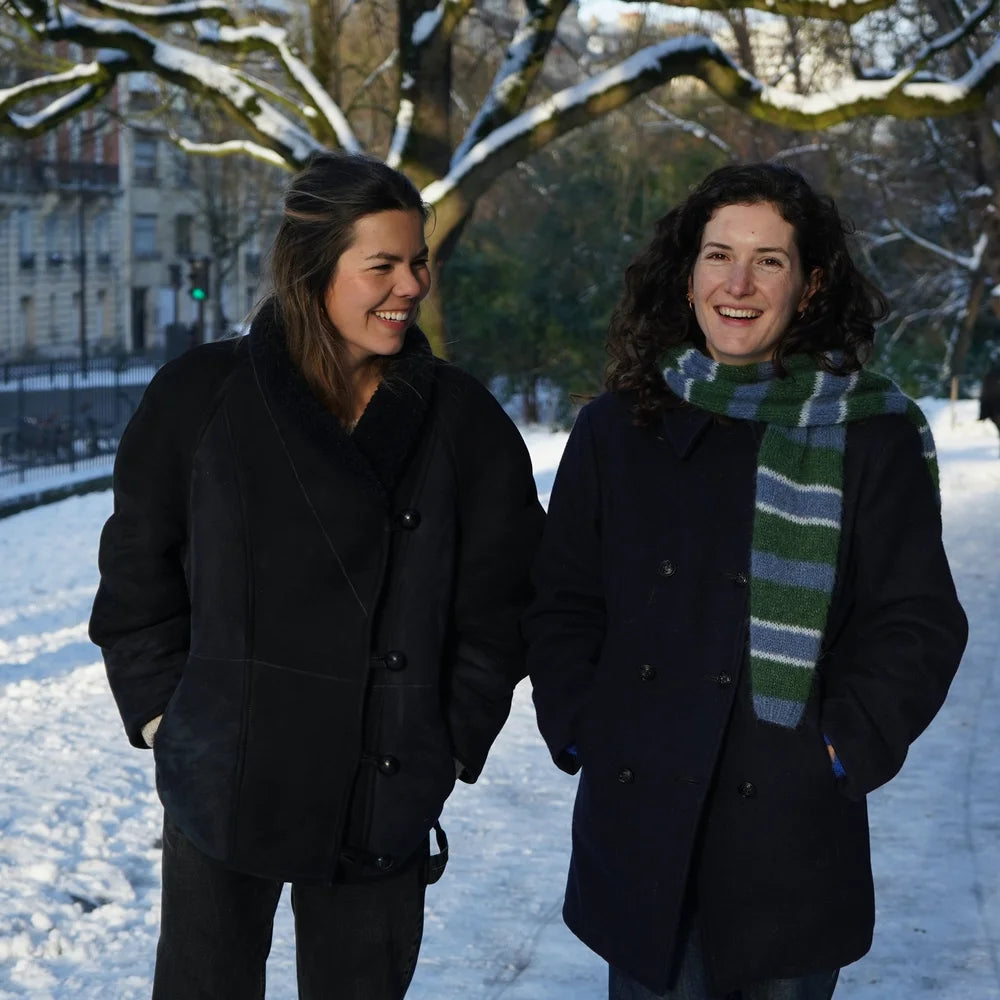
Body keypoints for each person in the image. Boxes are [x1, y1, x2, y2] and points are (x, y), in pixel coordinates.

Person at [89, 151, 544, 1000]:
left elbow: (508, 599)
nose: (409, 286)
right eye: (382, 265)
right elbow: (135, 575)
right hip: (221, 776)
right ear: (311, 269)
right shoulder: (200, 397)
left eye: (418, 262)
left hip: (385, 781)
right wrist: (168, 721)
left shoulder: (464, 423)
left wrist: (443, 734)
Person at [524, 162, 968, 1000]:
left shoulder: (869, 433)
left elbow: (917, 622)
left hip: (788, 823)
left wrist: (841, 747)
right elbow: (563, 599)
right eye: (718, 254)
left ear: (810, 285)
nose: (738, 283)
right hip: (644, 807)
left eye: (769, 260)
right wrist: (585, 725)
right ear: (685, 273)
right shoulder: (617, 426)